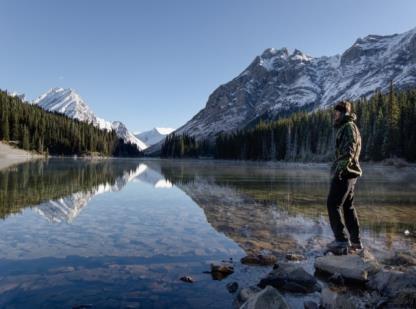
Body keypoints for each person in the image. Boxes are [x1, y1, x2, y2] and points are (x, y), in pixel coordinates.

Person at [326, 100, 363, 253]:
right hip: (351, 172)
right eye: (334, 113)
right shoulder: (348, 126)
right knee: (348, 206)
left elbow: (349, 151)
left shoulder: (348, 127)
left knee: (332, 204)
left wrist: (339, 171)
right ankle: (355, 242)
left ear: (344, 113)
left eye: (337, 113)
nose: (334, 116)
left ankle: (341, 240)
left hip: (346, 172)